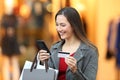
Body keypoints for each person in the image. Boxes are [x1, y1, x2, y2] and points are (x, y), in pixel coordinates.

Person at [38, 7, 98, 80]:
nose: (59, 29)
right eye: (57, 25)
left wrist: (75, 71)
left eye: (63, 25)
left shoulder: (90, 51)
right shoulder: (54, 48)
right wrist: (44, 62)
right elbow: (48, 76)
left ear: (74, 25)